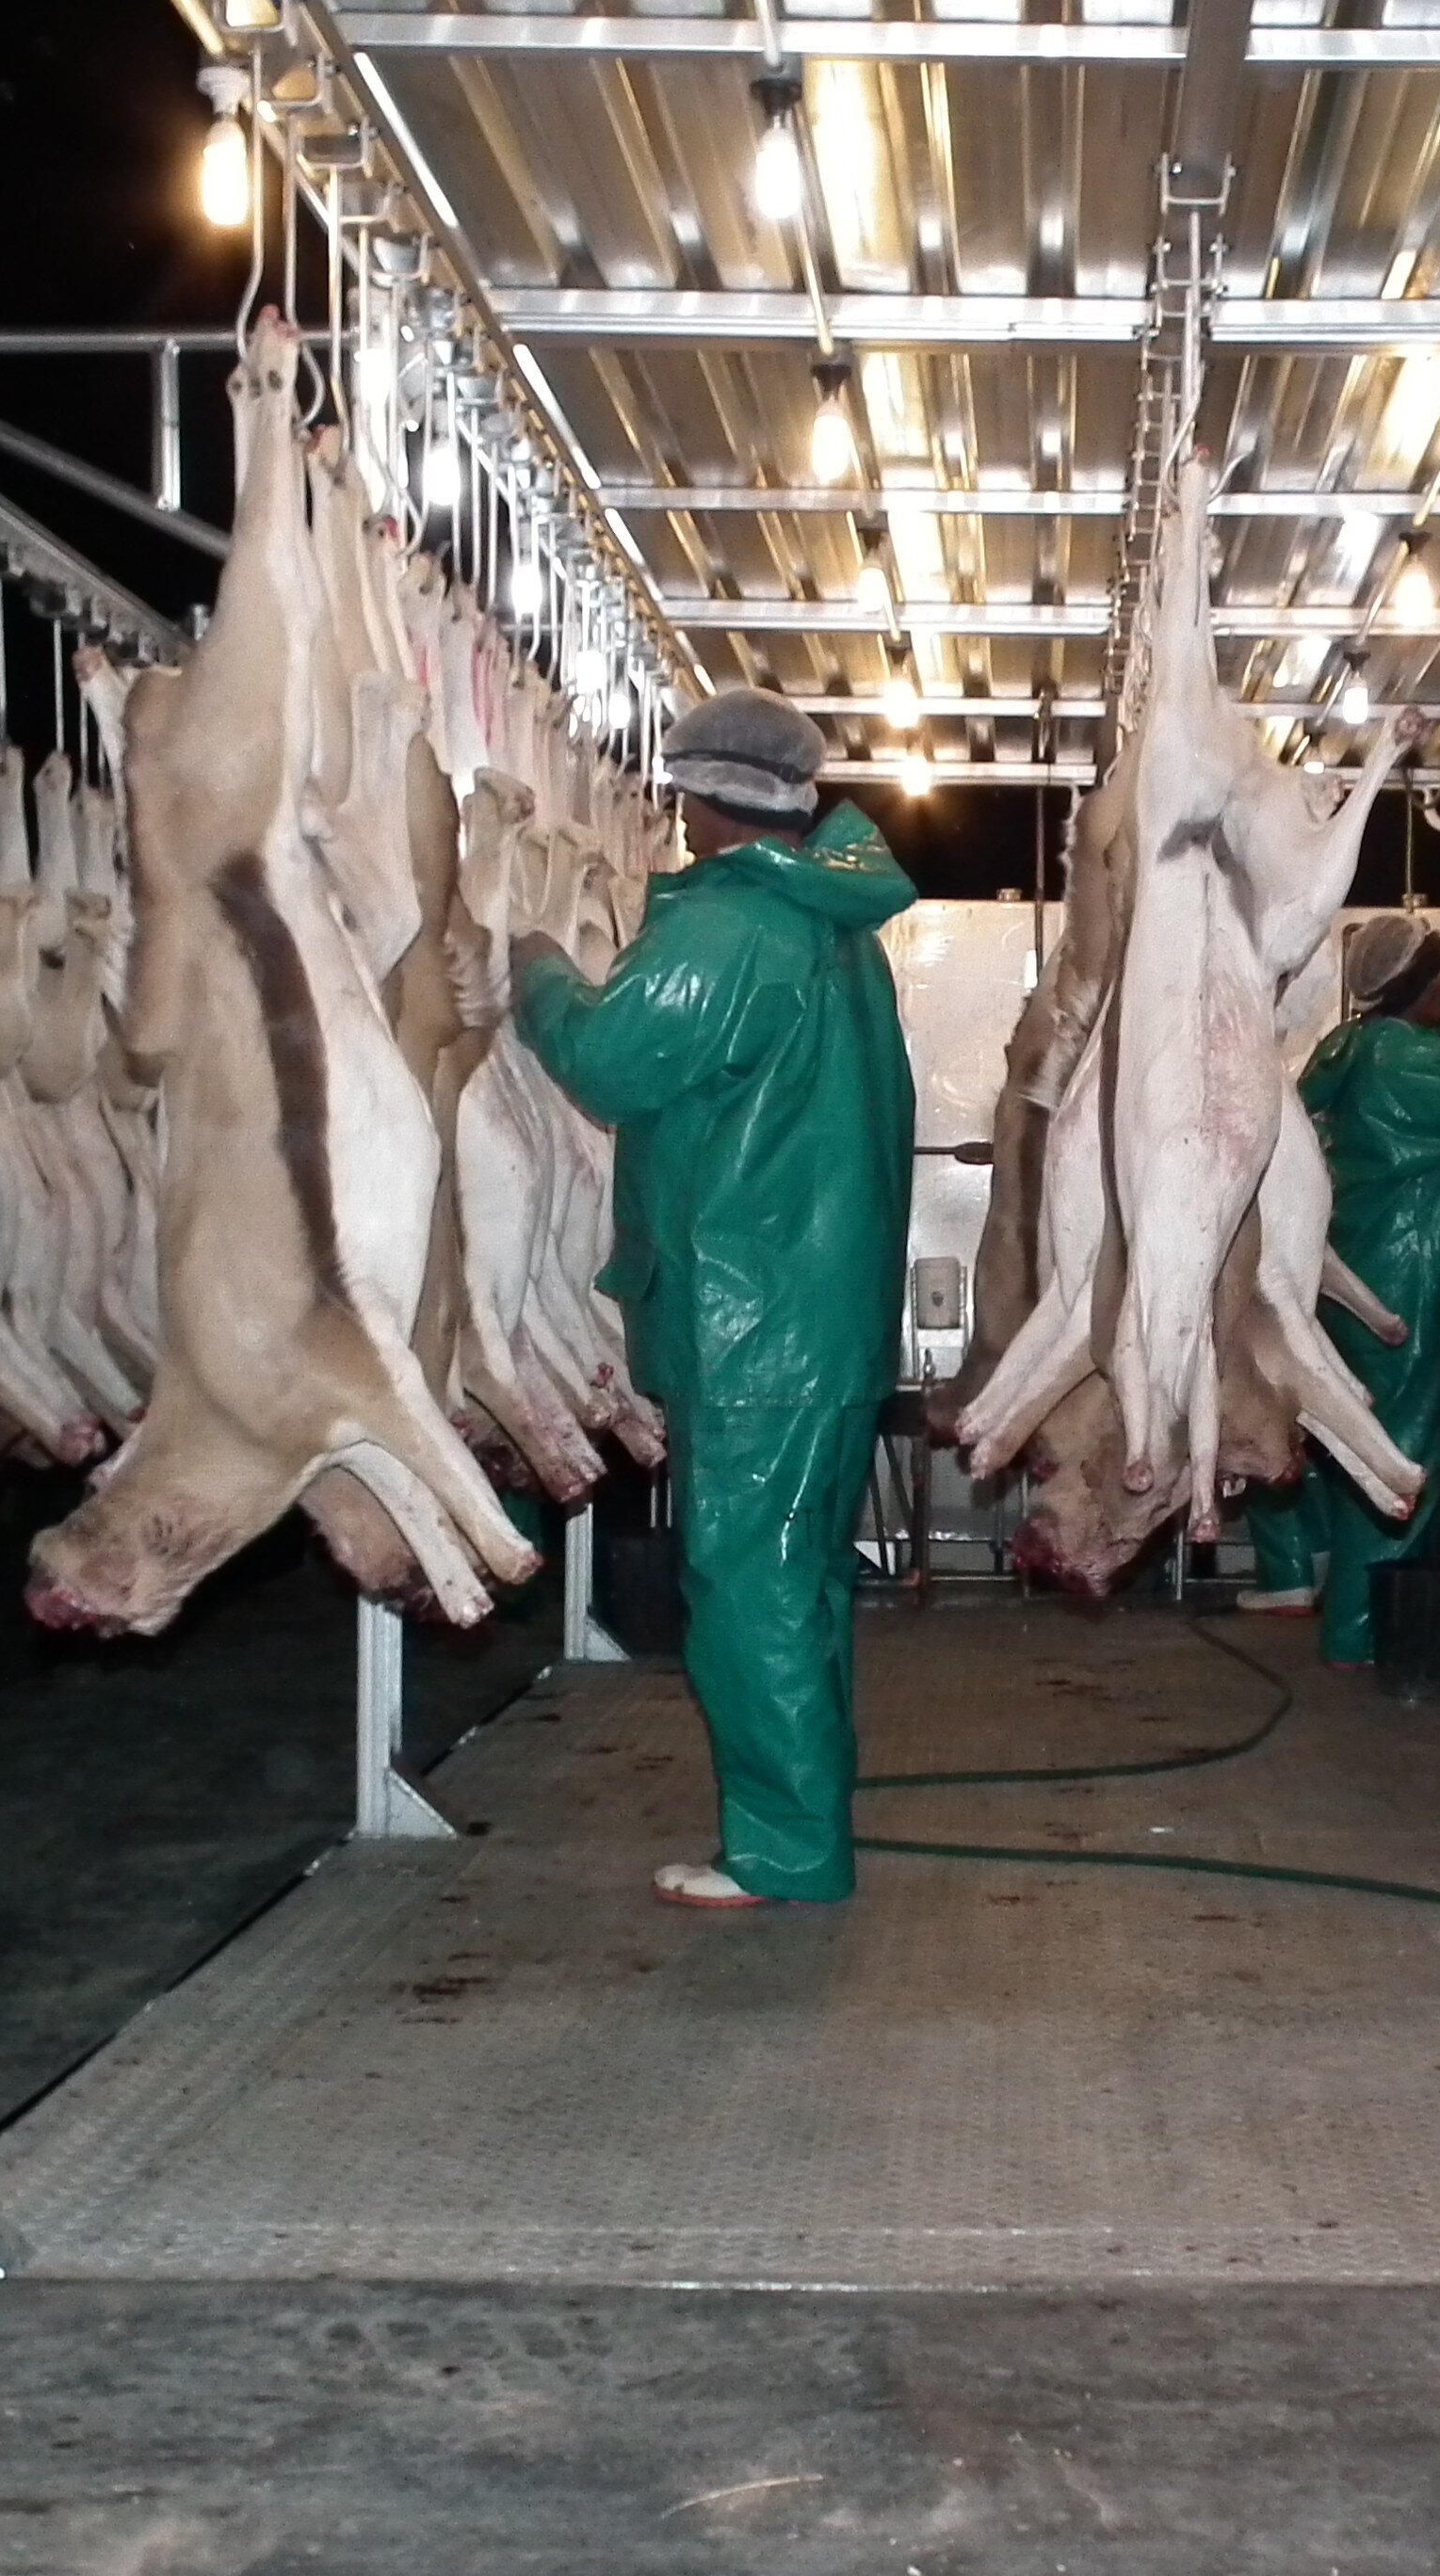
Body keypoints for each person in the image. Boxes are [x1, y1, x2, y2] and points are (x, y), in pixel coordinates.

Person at [510, 688, 917, 1909]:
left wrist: (536, 978)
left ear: (702, 800)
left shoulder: (731, 925)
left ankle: (786, 1852)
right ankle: (803, 1826)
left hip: (757, 1319)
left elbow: (613, 1059)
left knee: (748, 1587)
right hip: (817, 1310)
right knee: (796, 1581)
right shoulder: (833, 926)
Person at [1240, 915, 1440, 1667]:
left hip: (1354, 1276)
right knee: (1394, 1455)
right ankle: (1361, 1632)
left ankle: (1386, 1608)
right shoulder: (1405, 1059)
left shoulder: (1353, 1046)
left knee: (1365, 1446)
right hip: (1403, 1281)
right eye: (1439, 983)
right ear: (1412, 991)